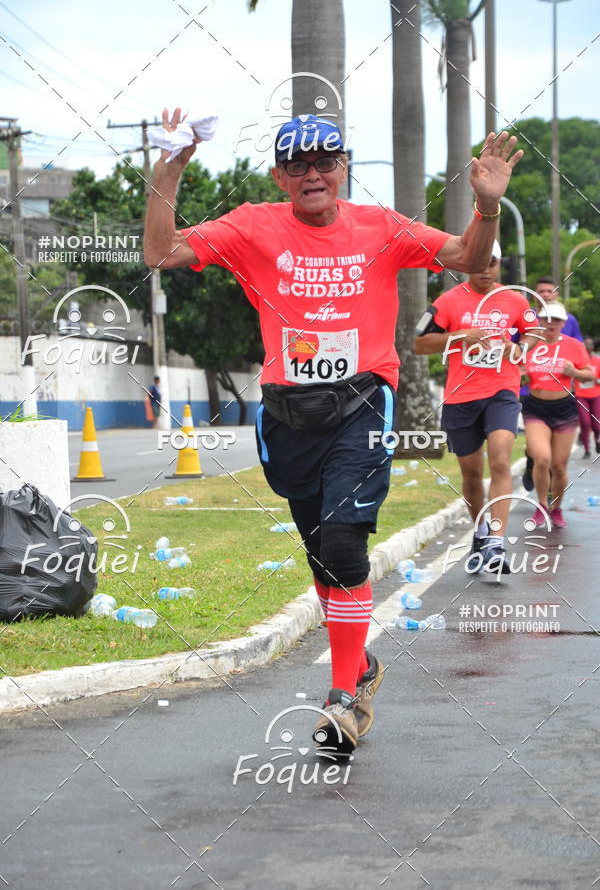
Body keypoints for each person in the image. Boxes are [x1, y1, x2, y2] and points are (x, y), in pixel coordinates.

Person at [144, 107, 523, 754]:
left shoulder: (380, 226)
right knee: (321, 551)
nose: (313, 173)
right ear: (280, 176)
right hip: (287, 411)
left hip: (362, 402)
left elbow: (466, 256)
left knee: (345, 543)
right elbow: (161, 252)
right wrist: (169, 169)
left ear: (344, 167)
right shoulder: (252, 225)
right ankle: (360, 664)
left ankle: (343, 694)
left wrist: (487, 207)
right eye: (298, 165)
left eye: (325, 160)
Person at [414, 241, 539, 575]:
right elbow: (420, 343)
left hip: (502, 391)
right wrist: (459, 336)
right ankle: (481, 531)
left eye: (492, 262)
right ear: (468, 264)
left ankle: (496, 541)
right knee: (471, 474)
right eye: (480, 263)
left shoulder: (515, 299)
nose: (486, 269)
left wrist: (520, 347)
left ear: (500, 264)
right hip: (460, 396)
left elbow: (534, 332)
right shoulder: (447, 301)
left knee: (500, 460)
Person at [521, 303, 593, 527]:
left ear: (563, 323)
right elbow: (515, 369)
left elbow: (589, 375)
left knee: (559, 466)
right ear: (539, 320)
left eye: (556, 319)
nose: (550, 323)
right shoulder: (529, 344)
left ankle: (557, 508)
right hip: (535, 407)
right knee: (542, 458)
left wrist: (574, 372)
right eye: (546, 318)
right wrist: (521, 375)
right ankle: (542, 506)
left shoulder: (574, 345)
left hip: (564, 408)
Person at [521, 276, 583, 490]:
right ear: (534, 296)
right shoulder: (526, 317)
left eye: (550, 291)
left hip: (561, 393)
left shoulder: (569, 320)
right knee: (538, 449)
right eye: (541, 291)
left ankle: (549, 495)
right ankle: (531, 461)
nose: (546, 294)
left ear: (556, 294)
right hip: (529, 390)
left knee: (554, 456)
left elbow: (579, 351)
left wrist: (573, 370)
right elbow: (515, 348)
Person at [575, 337, 600, 459]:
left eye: (589, 345)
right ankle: (586, 450)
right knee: (585, 423)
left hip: (596, 395)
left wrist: (596, 380)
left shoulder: (597, 361)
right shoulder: (576, 361)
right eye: (585, 345)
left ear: (592, 347)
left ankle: (597, 441)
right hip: (581, 396)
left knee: (596, 424)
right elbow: (571, 376)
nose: (587, 348)